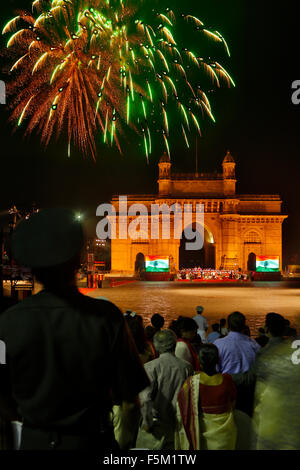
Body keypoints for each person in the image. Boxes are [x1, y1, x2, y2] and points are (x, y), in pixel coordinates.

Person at [0, 208, 149, 450]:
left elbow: (3, 397)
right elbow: (130, 402)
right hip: (91, 441)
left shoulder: (7, 323)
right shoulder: (107, 318)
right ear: (78, 261)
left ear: (30, 266)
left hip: (35, 441)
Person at [136, 329, 193, 450]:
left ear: (156, 346)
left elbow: (145, 400)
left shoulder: (150, 368)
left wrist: (147, 423)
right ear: (174, 344)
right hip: (177, 426)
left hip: (156, 428)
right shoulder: (186, 367)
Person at [175, 344, 237, 450]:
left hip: (200, 434)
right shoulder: (227, 380)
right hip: (225, 436)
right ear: (217, 360)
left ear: (200, 362)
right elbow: (233, 403)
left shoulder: (192, 382)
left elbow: (183, 407)